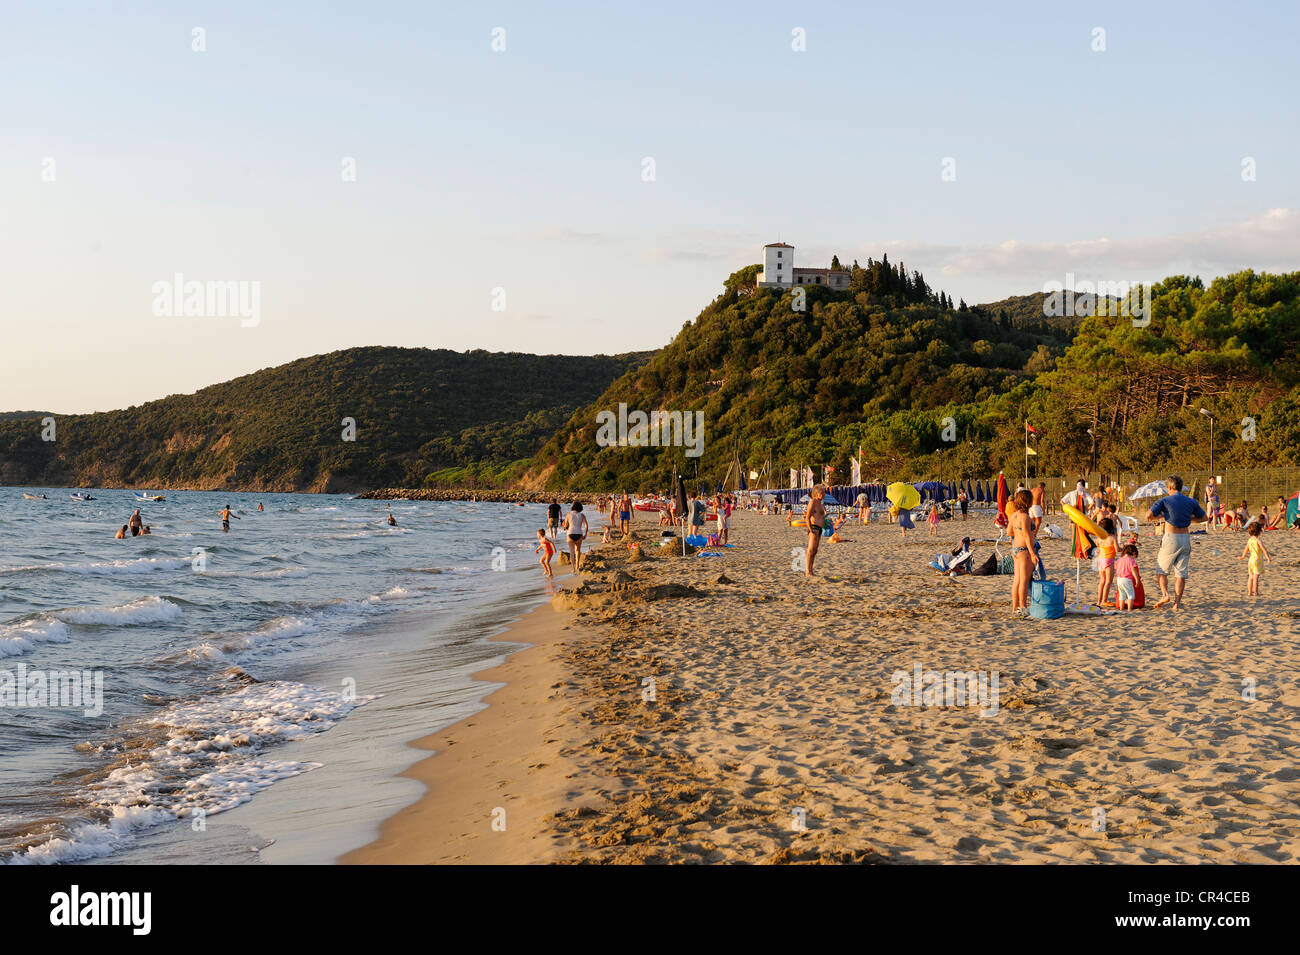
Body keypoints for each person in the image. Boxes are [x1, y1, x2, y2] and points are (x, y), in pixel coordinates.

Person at [1146, 475, 1206, 611]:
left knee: (1161, 570)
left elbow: (1148, 516)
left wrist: (1162, 516)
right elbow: (1204, 517)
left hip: (1170, 538)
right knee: (1180, 573)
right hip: (1185, 538)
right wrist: (1190, 520)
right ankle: (1176, 604)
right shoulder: (1190, 501)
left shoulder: (1164, 500)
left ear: (1169, 487)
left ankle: (1165, 594)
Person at [1008, 489, 1038, 617]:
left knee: (1017, 580)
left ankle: (1015, 608)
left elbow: (1009, 532)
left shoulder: (1014, 515)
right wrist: (1032, 553)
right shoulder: (1025, 517)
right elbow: (1026, 536)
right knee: (1024, 581)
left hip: (1015, 549)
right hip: (1024, 550)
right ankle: (1023, 606)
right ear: (1027, 502)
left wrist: (1018, 531)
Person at [1238, 522, 1271, 596]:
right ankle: (1256, 592)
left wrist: (1242, 556)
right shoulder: (1258, 541)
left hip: (1251, 560)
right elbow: (1264, 550)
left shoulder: (1249, 540)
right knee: (1256, 577)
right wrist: (1268, 558)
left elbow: (1246, 549)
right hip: (1257, 560)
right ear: (1259, 532)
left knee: (1250, 577)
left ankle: (1249, 592)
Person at [804, 485, 827, 576]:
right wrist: (810, 530)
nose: (824, 494)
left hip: (820, 529)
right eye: (822, 493)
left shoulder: (821, 503)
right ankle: (807, 572)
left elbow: (821, 516)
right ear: (817, 494)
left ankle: (811, 570)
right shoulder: (812, 502)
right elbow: (807, 517)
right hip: (814, 528)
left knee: (815, 551)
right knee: (810, 550)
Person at [1095, 517, 1118, 607]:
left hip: (1100, 560)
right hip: (1109, 560)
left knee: (1102, 581)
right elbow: (1118, 549)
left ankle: (1098, 601)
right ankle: (1104, 600)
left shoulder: (1099, 538)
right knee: (1108, 581)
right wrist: (1125, 546)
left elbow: (1097, 547)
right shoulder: (1112, 538)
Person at [1114, 543, 1142, 610]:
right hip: (1127, 579)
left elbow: (1117, 569)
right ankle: (1129, 609)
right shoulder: (1131, 561)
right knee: (1130, 595)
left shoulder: (1119, 560)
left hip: (1119, 579)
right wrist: (1137, 579)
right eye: (1135, 555)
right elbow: (1133, 571)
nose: (1134, 557)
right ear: (1133, 553)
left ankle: (1121, 609)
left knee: (1122, 595)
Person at [563, 502, 588, 573]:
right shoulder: (582, 515)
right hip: (579, 534)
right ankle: (577, 566)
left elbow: (565, 526)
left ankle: (573, 568)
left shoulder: (569, 514)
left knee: (572, 552)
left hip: (570, 533)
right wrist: (585, 534)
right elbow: (586, 525)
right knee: (578, 550)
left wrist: (564, 526)